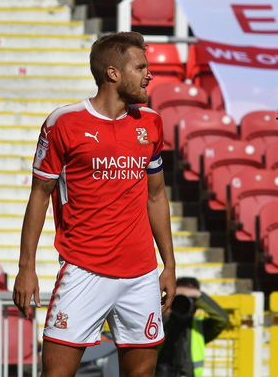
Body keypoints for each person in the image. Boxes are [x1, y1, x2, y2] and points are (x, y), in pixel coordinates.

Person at [12, 31, 176, 377]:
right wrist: (26, 267)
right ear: (113, 73)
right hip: (83, 270)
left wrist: (169, 264)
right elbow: (40, 194)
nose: (149, 74)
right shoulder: (64, 123)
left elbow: (157, 195)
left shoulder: (151, 123)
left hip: (142, 275)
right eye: (141, 67)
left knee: (142, 374)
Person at [155, 277, 229, 377]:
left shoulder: (200, 327)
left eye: (189, 298)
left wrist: (198, 295)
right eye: (179, 298)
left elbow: (222, 319)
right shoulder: (163, 321)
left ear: (196, 303)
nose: (182, 303)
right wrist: (165, 308)